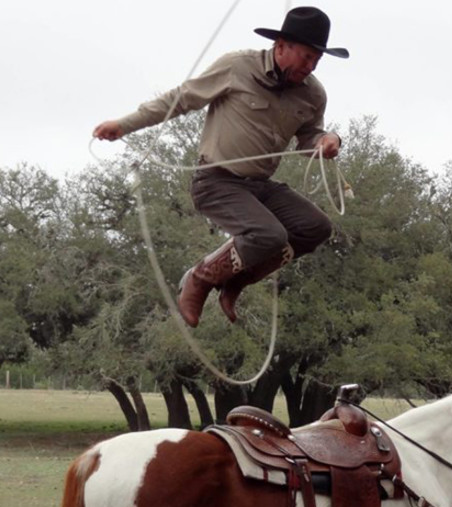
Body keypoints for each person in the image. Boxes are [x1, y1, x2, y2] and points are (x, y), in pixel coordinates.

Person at [93, 6, 349, 327]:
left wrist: (328, 140)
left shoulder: (313, 94)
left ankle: (237, 280)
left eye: (317, 60)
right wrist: (124, 124)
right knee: (269, 234)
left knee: (316, 227)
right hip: (216, 182)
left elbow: (309, 138)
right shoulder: (237, 66)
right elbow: (182, 98)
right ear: (281, 46)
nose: (310, 66)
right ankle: (200, 278)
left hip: (260, 187)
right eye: (306, 56)